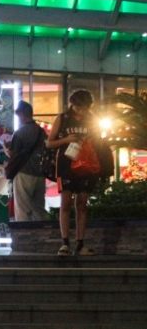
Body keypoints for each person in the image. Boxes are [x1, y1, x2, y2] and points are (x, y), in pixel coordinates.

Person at [47, 89, 98, 256]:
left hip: (86, 164)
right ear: (72, 104)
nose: (81, 111)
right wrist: (67, 140)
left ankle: (80, 243)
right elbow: (49, 143)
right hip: (65, 165)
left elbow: (100, 141)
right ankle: (65, 242)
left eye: (84, 108)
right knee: (66, 202)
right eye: (78, 107)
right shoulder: (62, 118)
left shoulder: (92, 119)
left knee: (82, 203)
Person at [3, 101, 48, 222]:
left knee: (23, 208)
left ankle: (24, 237)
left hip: (24, 172)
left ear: (22, 115)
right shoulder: (42, 132)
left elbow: (13, 154)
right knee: (38, 208)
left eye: (18, 116)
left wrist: (6, 149)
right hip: (40, 174)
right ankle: (40, 236)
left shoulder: (21, 132)